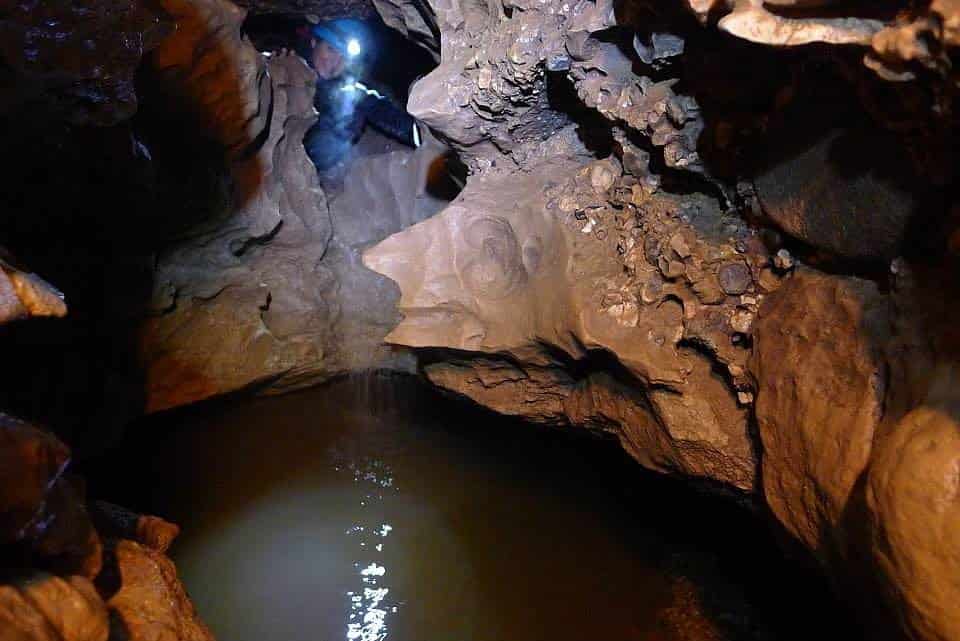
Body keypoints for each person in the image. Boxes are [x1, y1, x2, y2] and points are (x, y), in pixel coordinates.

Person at [297, 18, 421, 172]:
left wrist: (425, 134)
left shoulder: (348, 91)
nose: (335, 61)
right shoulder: (283, 69)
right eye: (331, 49)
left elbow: (386, 113)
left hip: (314, 169)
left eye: (343, 56)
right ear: (314, 42)